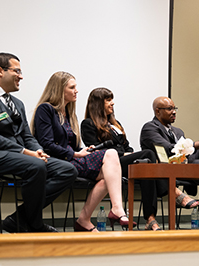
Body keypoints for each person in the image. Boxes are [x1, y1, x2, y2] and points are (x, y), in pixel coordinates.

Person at [0, 53, 78, 233]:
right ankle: (35, 224)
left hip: (19, 156)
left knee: (67, 170)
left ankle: (19, 219)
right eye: (17, 71)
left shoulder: (17, 103)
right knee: (36, 166)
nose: (21, 76)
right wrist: (24, 152)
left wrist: (38, 150)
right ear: (0, 71)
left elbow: (27, 135)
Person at [81, 88, 197, 231]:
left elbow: (127, 147)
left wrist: (128, 154)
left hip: (122, 165)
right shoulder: (88, 124)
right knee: (147, 154)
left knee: (146, 167)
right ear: (98, 103)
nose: (112, 103)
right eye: (108, 100)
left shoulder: (115, 124)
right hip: (106, 166)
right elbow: (96, 150)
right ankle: (174, 192)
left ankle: (150, 219)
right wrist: (124, 155)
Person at [30, 72, 131, 232]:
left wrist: (81, 150)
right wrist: (75, 154)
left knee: (107, 177)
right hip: (57, 161)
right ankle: (116, 209)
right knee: (110, 155)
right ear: (59, 90)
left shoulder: (68, 113)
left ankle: (84, 219)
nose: (77, 91)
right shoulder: (46, 109)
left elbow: (71, 144)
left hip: (71, 158)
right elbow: (46, 144)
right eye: (72, 87)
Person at [140, 96, 199, 229]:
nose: (174, 112)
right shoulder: (149, 128)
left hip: (186, 166)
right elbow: (169, 149)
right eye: (169, 109)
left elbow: (189, 154)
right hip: (166, 170)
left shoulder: (178, 131)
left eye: (175, 108)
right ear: (157, 111)